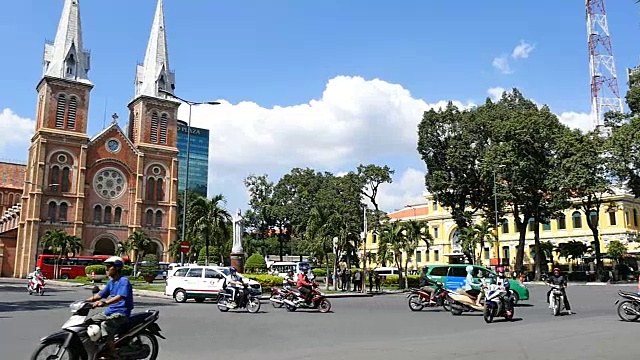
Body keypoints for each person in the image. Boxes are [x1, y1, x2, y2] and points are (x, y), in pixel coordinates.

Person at [86, 256, 133, 360]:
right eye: (106, 267)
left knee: (105, 325)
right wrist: (86, 301)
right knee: (88, 322)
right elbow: (100, 295)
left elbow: (120, 296)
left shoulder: (124, 281)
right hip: (109, 311)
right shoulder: (110, 282)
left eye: (109, 267)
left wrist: (105, 303)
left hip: (122, 312)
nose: (106, 270)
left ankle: (113, 353)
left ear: (116, 268)